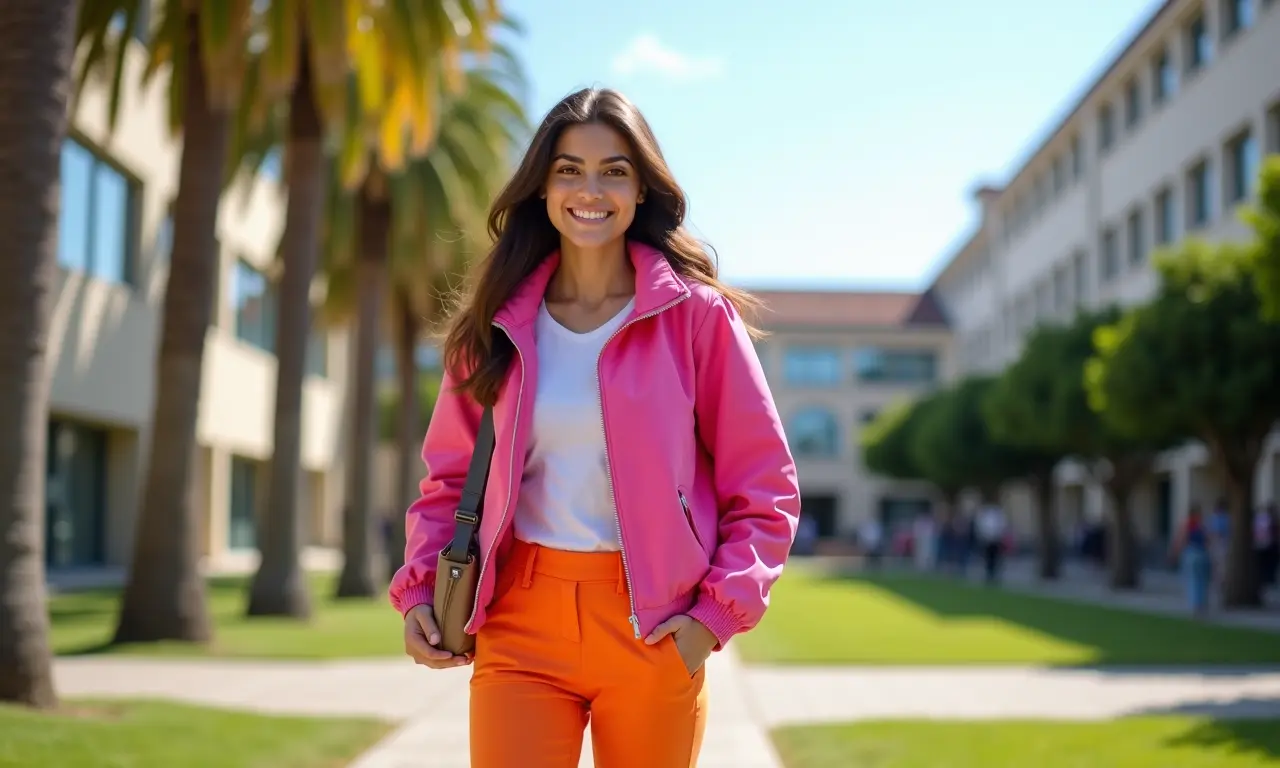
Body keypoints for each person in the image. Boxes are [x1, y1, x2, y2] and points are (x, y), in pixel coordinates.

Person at [388, 87, 801, 768]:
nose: (590, 189)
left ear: (641, 190)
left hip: (654, 626)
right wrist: (417, 594)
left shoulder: (697, 318)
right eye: (568, 170)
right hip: (520, 620)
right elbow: (450, 480)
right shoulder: (495, 325)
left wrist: (709, 621)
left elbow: (765, 487)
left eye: (614, 170)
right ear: (542, 188)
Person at [1172, 503, 1212, 615]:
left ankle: (1195, 605)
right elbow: (1208, 540)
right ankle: (1201, 604)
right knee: (1202, 581)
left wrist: (1175, 553)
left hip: (1191, 552)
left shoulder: (1188, 524)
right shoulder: (1202, 525)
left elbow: (1182, 539)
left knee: (1192, 580)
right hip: (1202, 553)